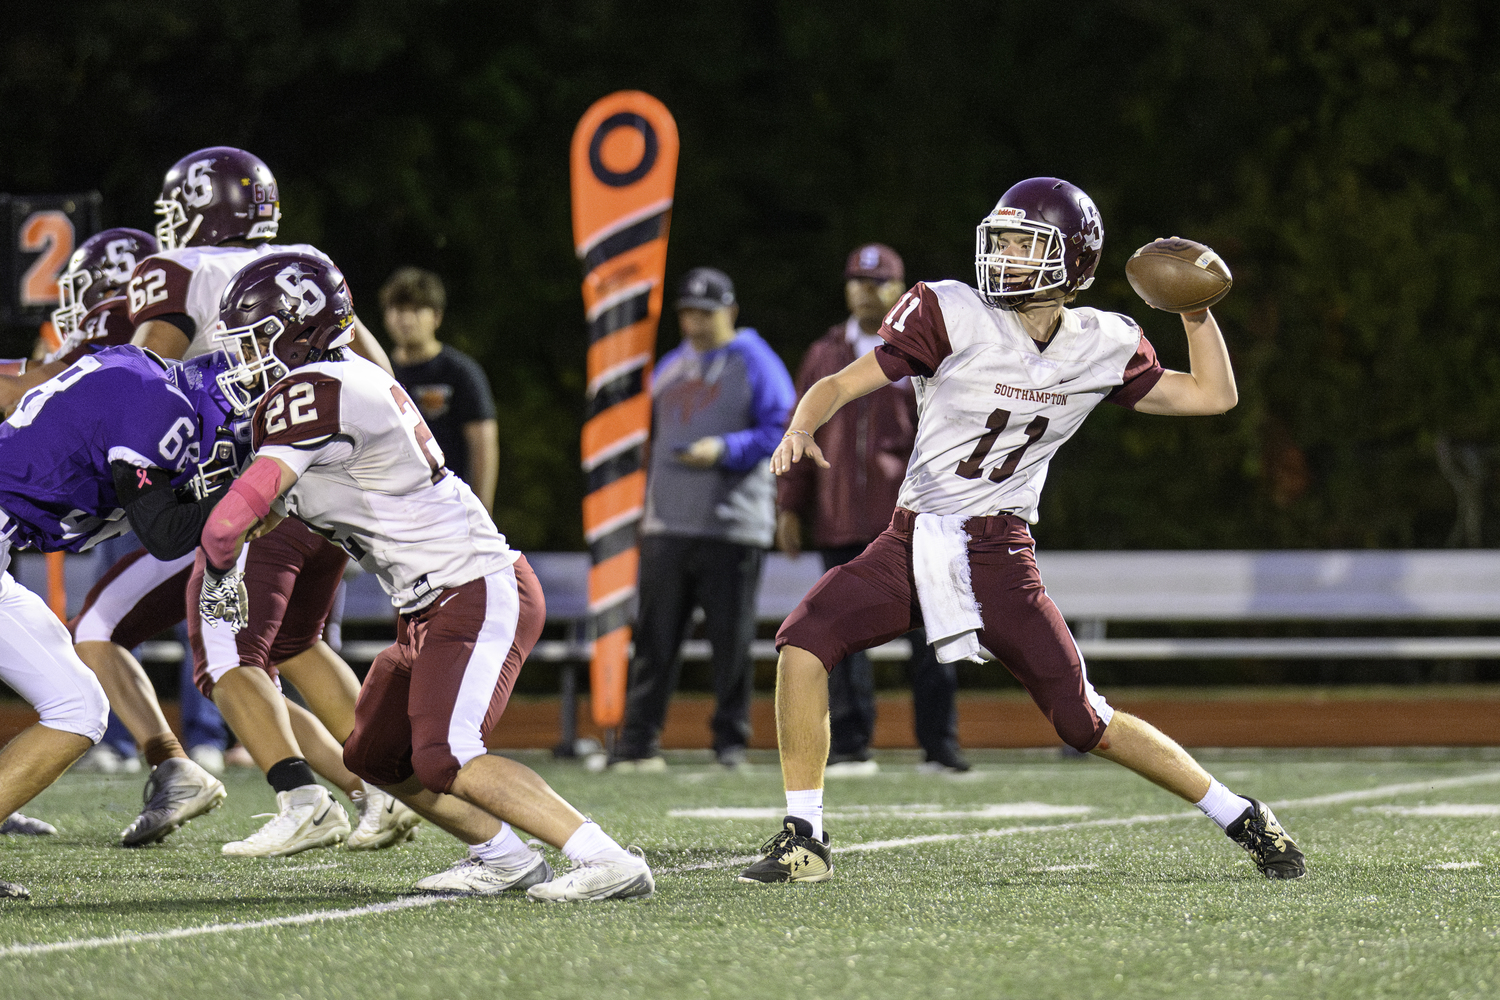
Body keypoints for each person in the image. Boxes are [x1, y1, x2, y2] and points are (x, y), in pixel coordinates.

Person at [739, 177, 1305, 884]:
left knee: (1083, 722)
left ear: (1070, 260)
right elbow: (838, 385)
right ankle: (804, 838)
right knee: (804, 640)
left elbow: (1214, 395)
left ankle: (1240, 813)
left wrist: (1195, 313)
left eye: (1022, 243)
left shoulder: (1105, 339)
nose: (1003, 256)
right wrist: (799, 427)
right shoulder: (948, 310)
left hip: (1001, 552)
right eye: (999, 241)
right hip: (911, 540)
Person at [198, 251, 653, 901]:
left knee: (447, 753)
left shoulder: (319, 388)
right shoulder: (348, 377)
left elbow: (224, 527)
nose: (246, 359)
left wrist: (220, 577)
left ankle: (603, 857)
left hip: (472, 588)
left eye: (257, 339)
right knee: (374, 756)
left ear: (298, 329)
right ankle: (503, 856)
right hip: (428, 604)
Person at [122, 146, 415, 855]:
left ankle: (301, 796)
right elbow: (374, 371)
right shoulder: (307, 260)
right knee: (295, 643)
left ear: (200, 204)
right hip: (336, 484)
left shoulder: (178, 271)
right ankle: (382, 785)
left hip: (266, 484)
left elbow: (136, 380)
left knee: (219, 647)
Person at [0, 343, 249, 889]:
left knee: (79, 707)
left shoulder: (143, 373)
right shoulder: (161, 406)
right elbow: (164, 535)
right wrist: (251, 496)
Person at [776, 243, 969, 774]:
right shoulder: (823, 354)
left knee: (935, 630)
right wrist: (790, 506)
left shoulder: (924, 350)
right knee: (840, 634)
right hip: (839, 515)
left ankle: (940, 745)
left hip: (910, 518)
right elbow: (799, 427)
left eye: (878, 281)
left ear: (899, 289)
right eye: (858, 281)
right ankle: (854, 743)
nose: (866, 291)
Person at [605, 268, 796, 770]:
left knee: (729, 642)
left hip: (732, 525)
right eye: (687, 313)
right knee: (654, 638)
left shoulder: (758, 361)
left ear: (730, 312)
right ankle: (638, 743)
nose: (694, 323)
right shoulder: (668, 366)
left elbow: (783, 427)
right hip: (667, 524)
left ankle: (730, 744)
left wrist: (726, 449)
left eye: (705, 313)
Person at [382, 268, 499, 515]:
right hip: (392, 507)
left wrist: (480, 511)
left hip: (448, 505)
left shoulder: (460, 373)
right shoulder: (379, 372)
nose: (405, 319)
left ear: (436, 316)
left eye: (415, 310)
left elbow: (483, 446)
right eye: (397, 310)